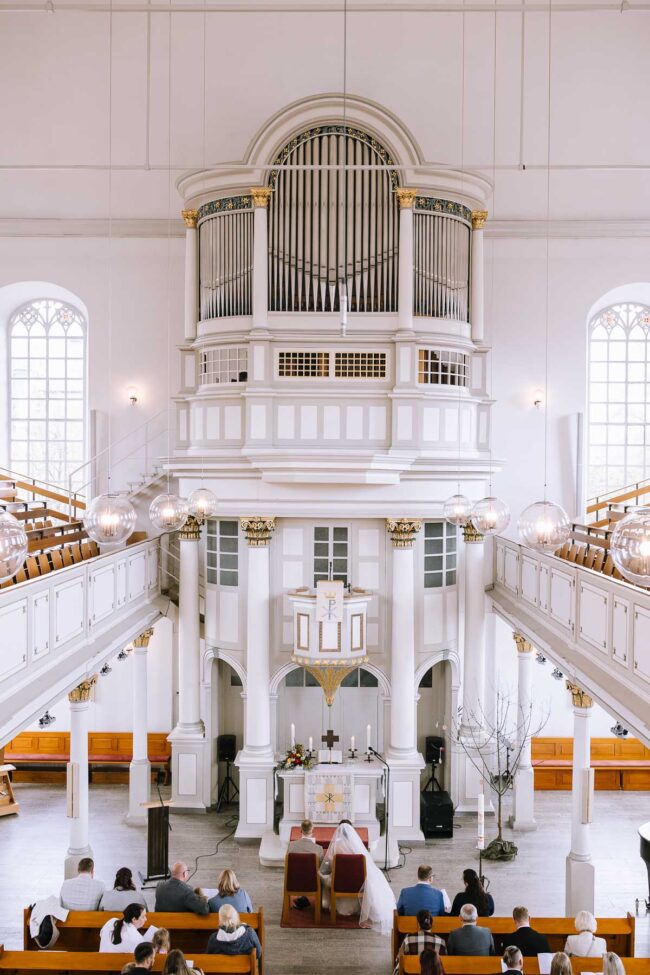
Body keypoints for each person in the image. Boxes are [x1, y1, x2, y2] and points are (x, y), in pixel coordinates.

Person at [319, 820, 396, 934]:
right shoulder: (358, 847)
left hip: (339, 883)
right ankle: (360, 908)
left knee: (322, 876)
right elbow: (366, 868)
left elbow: (329, 865)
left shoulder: (336, 846)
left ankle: (327, 904)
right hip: (356, 884)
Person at [394, 910, 446, 975]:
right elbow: (444, 962)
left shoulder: (408, 939)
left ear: (418, 924)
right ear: (431, 924)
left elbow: (398, 960)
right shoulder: (441, 942)